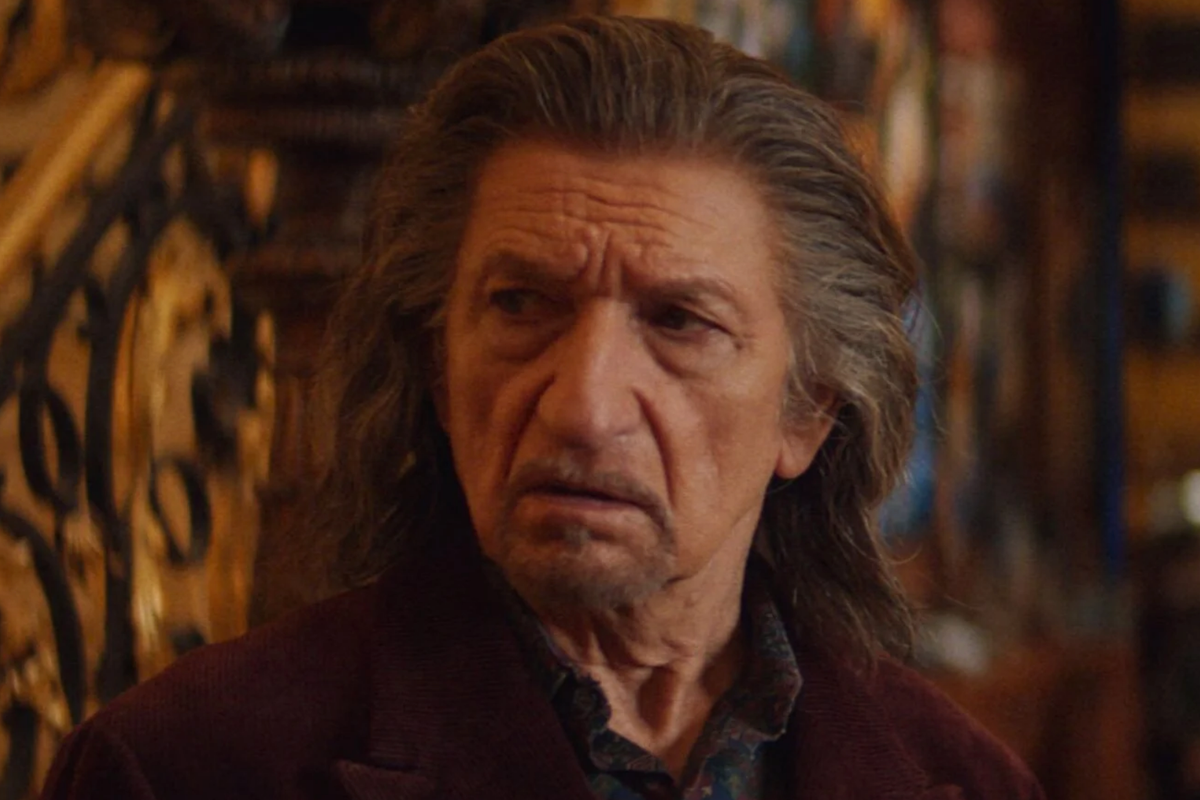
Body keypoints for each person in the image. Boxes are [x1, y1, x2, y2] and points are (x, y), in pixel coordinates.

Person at [41, 15, 1044, 800]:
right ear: (439, 366)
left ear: (808, 410)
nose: (583, 405)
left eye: (680, 322)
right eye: (521, 305)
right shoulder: (186, 766)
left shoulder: (958, 776)